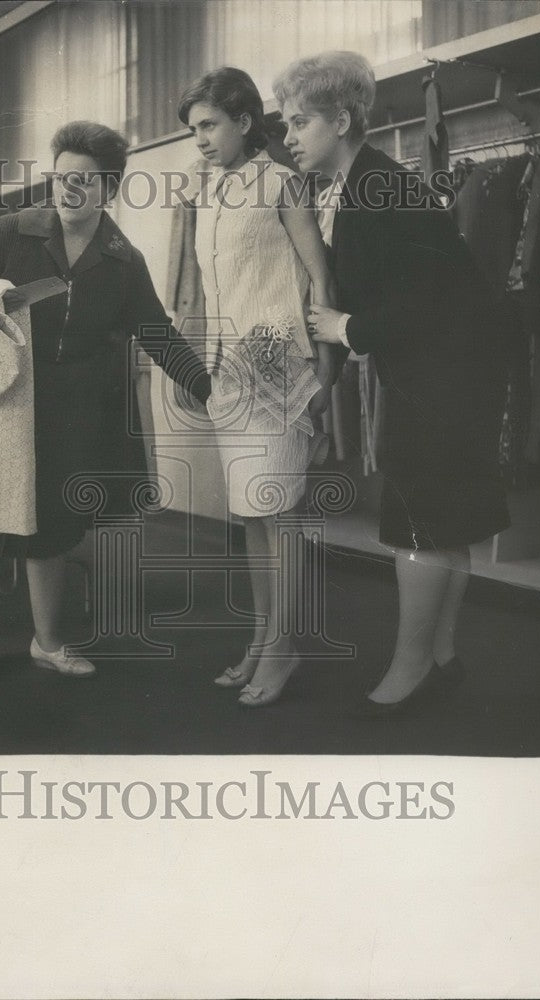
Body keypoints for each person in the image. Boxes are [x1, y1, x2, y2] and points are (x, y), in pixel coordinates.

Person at [0, 120, 211, 681]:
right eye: (62, 178)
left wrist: (207, 387)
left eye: (87, 181)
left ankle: (47, 642)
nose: (71, 190)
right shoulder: (12, 231)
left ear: (110, 189)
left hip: (70, 412)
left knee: (51, 523)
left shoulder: (124, 260)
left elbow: (156, 331)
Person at [274, 51, 510, 715]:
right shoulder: (368, 185)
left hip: (439, 378)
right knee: (447, 524)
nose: (288, 136)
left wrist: (343, 325)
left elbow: (427, 302)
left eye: (299, 122)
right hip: (453, 374)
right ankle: (439, 653)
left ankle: (410, 667)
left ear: (341, 119)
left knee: (416, 526)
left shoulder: (377, 188)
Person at [177, 67, 337, 707]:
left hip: (276, 366)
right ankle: (263, 634)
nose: (201, 141)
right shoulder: (206, 191)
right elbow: (208, 293)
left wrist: (325, 373)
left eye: (209, 125)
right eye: (193, 131)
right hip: (226, 372)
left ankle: (285, 646)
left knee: (282, 513)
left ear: (245, 122)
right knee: (249, 513)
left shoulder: (282, 183)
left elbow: (319, 282)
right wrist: (202, 366)